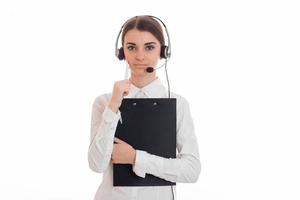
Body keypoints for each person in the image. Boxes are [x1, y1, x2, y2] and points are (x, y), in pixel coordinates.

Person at [88, 15, 201, 200]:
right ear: (122, 52)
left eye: (149, 47)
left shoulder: (178, 104)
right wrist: (113, 106)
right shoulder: (105, 102)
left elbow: (191, 170)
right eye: (131, 47)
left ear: (163, 51)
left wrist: (135, 158)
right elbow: (96, 165)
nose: (140, 56)